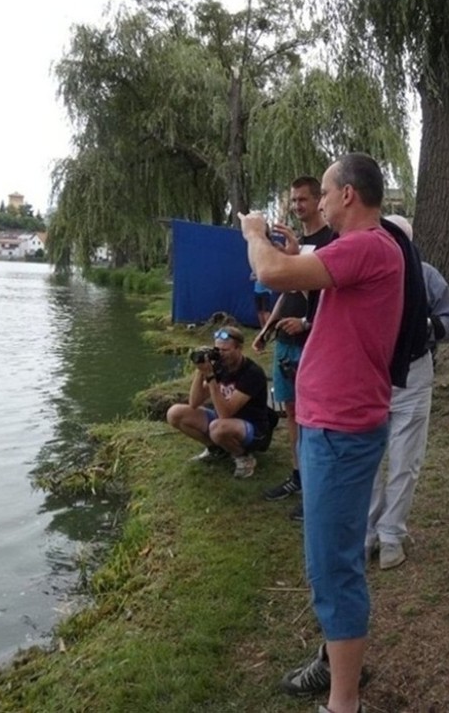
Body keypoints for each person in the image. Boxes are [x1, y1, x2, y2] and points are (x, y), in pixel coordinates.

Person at [240, 153, 410, 713]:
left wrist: (254, 233)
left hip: (340, 431)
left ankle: (344, 703)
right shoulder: (361, 249)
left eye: (328, 192)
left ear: (347, 196)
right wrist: (295, 252)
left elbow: (270, 274)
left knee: (333, 569)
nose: (322, 202)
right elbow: (310, 275)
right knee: (329, 561)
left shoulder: (367, 246)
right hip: (329, 427)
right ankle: (338, 667)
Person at [366, 215, 449, 570]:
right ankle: (365, 534)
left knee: (406, 459)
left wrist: (425, 327)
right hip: (371, 374)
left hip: (414, 373)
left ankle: (391, 534)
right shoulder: (367, 275)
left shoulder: (427, 276)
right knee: (368, 457)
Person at [253, 175, 334, 518]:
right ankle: (298, 476)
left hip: (313, 343)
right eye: (294, 200)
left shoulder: (331, 242)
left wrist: (305, 322)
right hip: (285, 343)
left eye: (303, 199)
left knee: (314, 417)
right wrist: (267, 328)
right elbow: (288, 291)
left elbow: (330, 299)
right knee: (291, 412)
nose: (297, 205)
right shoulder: (297, 244)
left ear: (318, 200)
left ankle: (317, 488)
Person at [165, 326, 272, 479]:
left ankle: (242, 456)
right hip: (223, 421)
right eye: (217, 349)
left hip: (252, 428)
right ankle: (216, 449)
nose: (221, 354)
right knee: (175, 413)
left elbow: (225, 414)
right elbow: (194, 402)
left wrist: (210, 377)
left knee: (218, 428)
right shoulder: (220, 366)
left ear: (239, 348)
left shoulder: (252, 373)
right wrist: (200, 371)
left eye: (225, 350)